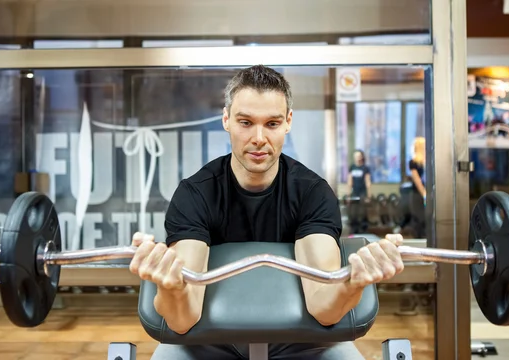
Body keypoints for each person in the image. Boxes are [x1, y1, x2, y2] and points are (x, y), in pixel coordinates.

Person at [129, 65, 405, 360]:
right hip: (208, 341)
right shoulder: (195, 194)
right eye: (245, 122)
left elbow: (324, 310)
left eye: (271, 124)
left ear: (287, 122)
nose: (259, 138)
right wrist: (169, 287)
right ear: (226, 120)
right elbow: (183, 320)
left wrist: (354, 282)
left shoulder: (312, 193)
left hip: (302, 342)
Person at [346, 149, 372, 233]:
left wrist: (369, 195)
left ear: (361, 157)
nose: (357, 158)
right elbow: (350, 182)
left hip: (362, 193)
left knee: (362, 213)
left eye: (359, 156)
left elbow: (368, 182)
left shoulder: (365, 168)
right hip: (354, 192)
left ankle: (362, 231)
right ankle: (354, 231)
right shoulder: (352, 167)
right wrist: (348, 195)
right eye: (356, 156)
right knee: (353, 213)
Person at [408, 137, 426, 238]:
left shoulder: (430, 161)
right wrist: (424, 194)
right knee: (419, 218)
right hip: (417, 194)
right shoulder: (413, 162)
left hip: (428, 193)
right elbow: (417, 180)